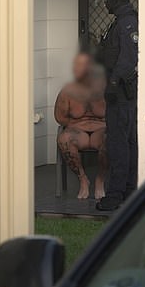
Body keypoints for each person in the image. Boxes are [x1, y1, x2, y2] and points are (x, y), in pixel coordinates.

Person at [94, 0, 138, 211]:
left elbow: (128, 60)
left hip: (121, 93)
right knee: (126, 143)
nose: (104, 4)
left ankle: (116, 194)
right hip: (119, 93)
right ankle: (128, 191)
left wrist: (112, 83)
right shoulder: (120, 22)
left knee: (120, 145)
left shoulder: (127, 22)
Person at [55, 52, 108, 200]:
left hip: (101, 130)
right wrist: (77, 126)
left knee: (112, 139)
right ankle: (83, 179)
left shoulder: (106, 89)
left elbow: (116, 113)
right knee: (64, 139)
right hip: (77, 131)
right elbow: (60, 117)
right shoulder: (68, 92)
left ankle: (100, 179)